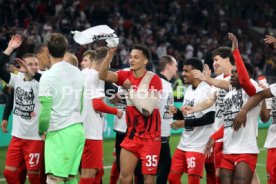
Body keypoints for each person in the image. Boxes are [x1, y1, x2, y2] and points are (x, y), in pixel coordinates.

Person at [99, 44, 162, 184]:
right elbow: (102, 75)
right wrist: (109, 55)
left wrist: (130, 90)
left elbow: (147, 111)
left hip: (151, 139)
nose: (131, 60)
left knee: (148, 178)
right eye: (130, 57)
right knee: (124, 177)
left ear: (145, 61)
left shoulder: (154, 80)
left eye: (136, 57)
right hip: (132, 136)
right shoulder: (125, 75)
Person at [204, 33, 262, 184]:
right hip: (228, 150)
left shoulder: (251, 88)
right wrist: (213, 137)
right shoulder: (229, 95)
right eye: (233, 72)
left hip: (245, 149)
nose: (233, 75)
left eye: (237, 72)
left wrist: (235, 51)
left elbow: (244, 80)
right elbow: (229, 122)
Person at [183, 46, 235, 184]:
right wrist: (193, 109)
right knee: (218, 175)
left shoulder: (237, 77)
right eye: (213, 61)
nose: (214, 63)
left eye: (217, 60)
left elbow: (228, 85)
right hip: (218, 136)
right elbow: (209, 101)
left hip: (234, 134)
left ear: (227, 60)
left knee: (242, 176)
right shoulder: (216, 80)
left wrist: (207, 79)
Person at [38, 33, 85, 184]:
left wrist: (42, 129)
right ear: (65, 50)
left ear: (48, 51)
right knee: (71, 178)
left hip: (60, 132)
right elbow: (82, 102)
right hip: (77, 130)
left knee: (54, 178)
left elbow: (45, 111)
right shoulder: (77, 72)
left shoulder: (48, 76)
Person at [1, 34, 45, 184]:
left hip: (35, 138)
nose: (33, 66)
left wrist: (32, 72)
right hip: (17, 137)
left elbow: (45, 80)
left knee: (34, 176)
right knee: (9, 173)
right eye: (30, 64)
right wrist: (9, 49)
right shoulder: (17, 79)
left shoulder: (43, 79)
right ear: (20, 67)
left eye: (35, 64)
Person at [168, 58, 215, 184]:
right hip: (184, 143)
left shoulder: (207, 90)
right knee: (172, 178)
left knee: (193, 181)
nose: (183, 74)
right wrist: (176, 112)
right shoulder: (188, 90)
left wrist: (185, 123)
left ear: (195, 73)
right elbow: (187, 116)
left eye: (186, 71)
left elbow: (210, 118)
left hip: (198, 146)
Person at [79, 47, 123, 184]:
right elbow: (97, 105)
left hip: (80, 129)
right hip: (92, 133)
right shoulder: (98, 76)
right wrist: (117, 111)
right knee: (89, 172)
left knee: (96, 171)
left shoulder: (83, 73)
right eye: (109, 63)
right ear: (106, 62)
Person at [156, 55, 178, 184]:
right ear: (169, 66)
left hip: (164, 135)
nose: (177, 69)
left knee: (162, 167)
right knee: (164, 167)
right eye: (175, 66)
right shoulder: (158, 83)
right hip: (158, 136)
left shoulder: (166, 84)